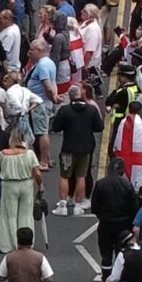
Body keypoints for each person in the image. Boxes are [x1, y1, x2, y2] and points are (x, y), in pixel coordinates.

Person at [50, 86, 103, 215]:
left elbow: (56, 127)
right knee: (81, 176)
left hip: (68, 148)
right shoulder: (91, 110)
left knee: (64, 176)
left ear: (70, 96)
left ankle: (63, 205)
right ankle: (78, 205)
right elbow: (99, 127)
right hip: (85, 149)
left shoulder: (65, 110)